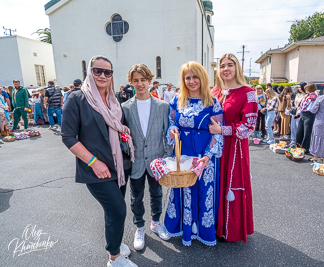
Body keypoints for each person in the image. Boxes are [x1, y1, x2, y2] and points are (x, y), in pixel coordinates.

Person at [61, 55, 137, 267]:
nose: (103, 75)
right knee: (118, 210)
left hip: (120, 166)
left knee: (113, 210)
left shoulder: (115, 100)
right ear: (89, 72)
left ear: (112, 75)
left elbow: (117, 127)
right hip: (97, 170)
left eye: (108, 72)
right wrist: (93, 161)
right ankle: (114, 258)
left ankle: (116, 242)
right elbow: (68, 137)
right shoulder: (77, 99)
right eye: (97, 70)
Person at [165, 61, 224, 246]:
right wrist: (172, 130)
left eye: (195, 77)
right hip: (183, 154)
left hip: (205, 155)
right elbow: (171, 122)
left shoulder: (213, 102)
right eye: (187, 77)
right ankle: (184, 227)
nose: (191, 81)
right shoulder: (177, 99)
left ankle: (203, 228)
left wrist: (207, 156)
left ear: (202, 77)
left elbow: (218, 130)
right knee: (182, 188)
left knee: (204, 190)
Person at [122, 64, 173, 251]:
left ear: (149, 81)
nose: (140, 83)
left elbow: (168, 132)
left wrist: (166, 156)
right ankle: (140, 227)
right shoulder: (125, 108)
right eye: (135, 80)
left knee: (156, 194)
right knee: (136, 197)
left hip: (156, 160)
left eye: (143, 80)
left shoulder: (162, 106)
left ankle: (156, 222)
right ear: (131, 82)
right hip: (135, 161)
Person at [209, 53, 257, 243]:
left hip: (234, 149)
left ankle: (230, 230)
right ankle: (211, 226)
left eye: (230, 65)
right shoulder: (215, 92)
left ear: (237, 68)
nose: (226, 69)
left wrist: (222, 130)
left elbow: (248, 127)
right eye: (222, 66)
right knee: (214, 185)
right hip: (213, 148)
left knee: (230, 185)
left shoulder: (248, 93)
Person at [295, 83, 318, 153]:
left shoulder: (314, 95)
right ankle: (298, 146)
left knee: (307, 133)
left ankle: (305, 148)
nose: (305, 90)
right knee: (299, 132)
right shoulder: (306, 96)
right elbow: (301, 106)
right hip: (303, 114)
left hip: (309, 114)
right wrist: (298, 113)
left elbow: (313, 100)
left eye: (307, 89)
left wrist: (314, 93)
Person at [289, 82, 307, 147]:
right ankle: (292, 140)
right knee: (292, 127)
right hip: (295, 111)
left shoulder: (306, 95)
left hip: (300, 112)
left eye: (300, 87)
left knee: (298, 127)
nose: (298, 88)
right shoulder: (297, 94)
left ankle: (298, 142)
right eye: (298, 87)